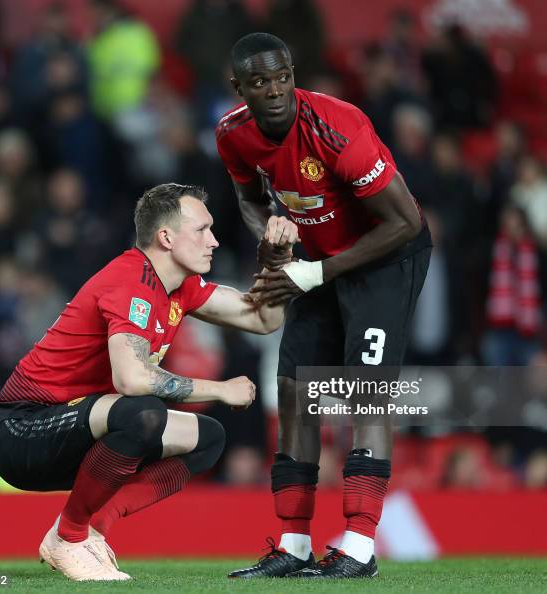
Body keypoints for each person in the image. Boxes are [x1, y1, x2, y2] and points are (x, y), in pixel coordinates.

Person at [0, 183, 288, 582]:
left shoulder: (181, 286)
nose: (214, 241)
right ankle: (68, 535)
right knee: (142, 412)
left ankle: (92, 530)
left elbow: (263, 320)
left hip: (79, 429)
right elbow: (131, 380)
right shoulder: (131, 283)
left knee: (207, 437)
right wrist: (218, 389)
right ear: (166, 237)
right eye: (202, 230)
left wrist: (278, 262)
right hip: (21, 431)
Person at [216, 33, 432, 579]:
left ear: (294, 74)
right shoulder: (233, 134)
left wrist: (317, 270)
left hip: (385, 259)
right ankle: (293, 544)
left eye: (282, 77)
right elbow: (247, 197)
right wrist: (271, 235)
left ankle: (358, 549)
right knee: (295, 393)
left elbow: (405, 222)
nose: (275, 91)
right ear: (239, 87)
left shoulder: (339, 129)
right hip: (312, 265)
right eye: (260, 82)